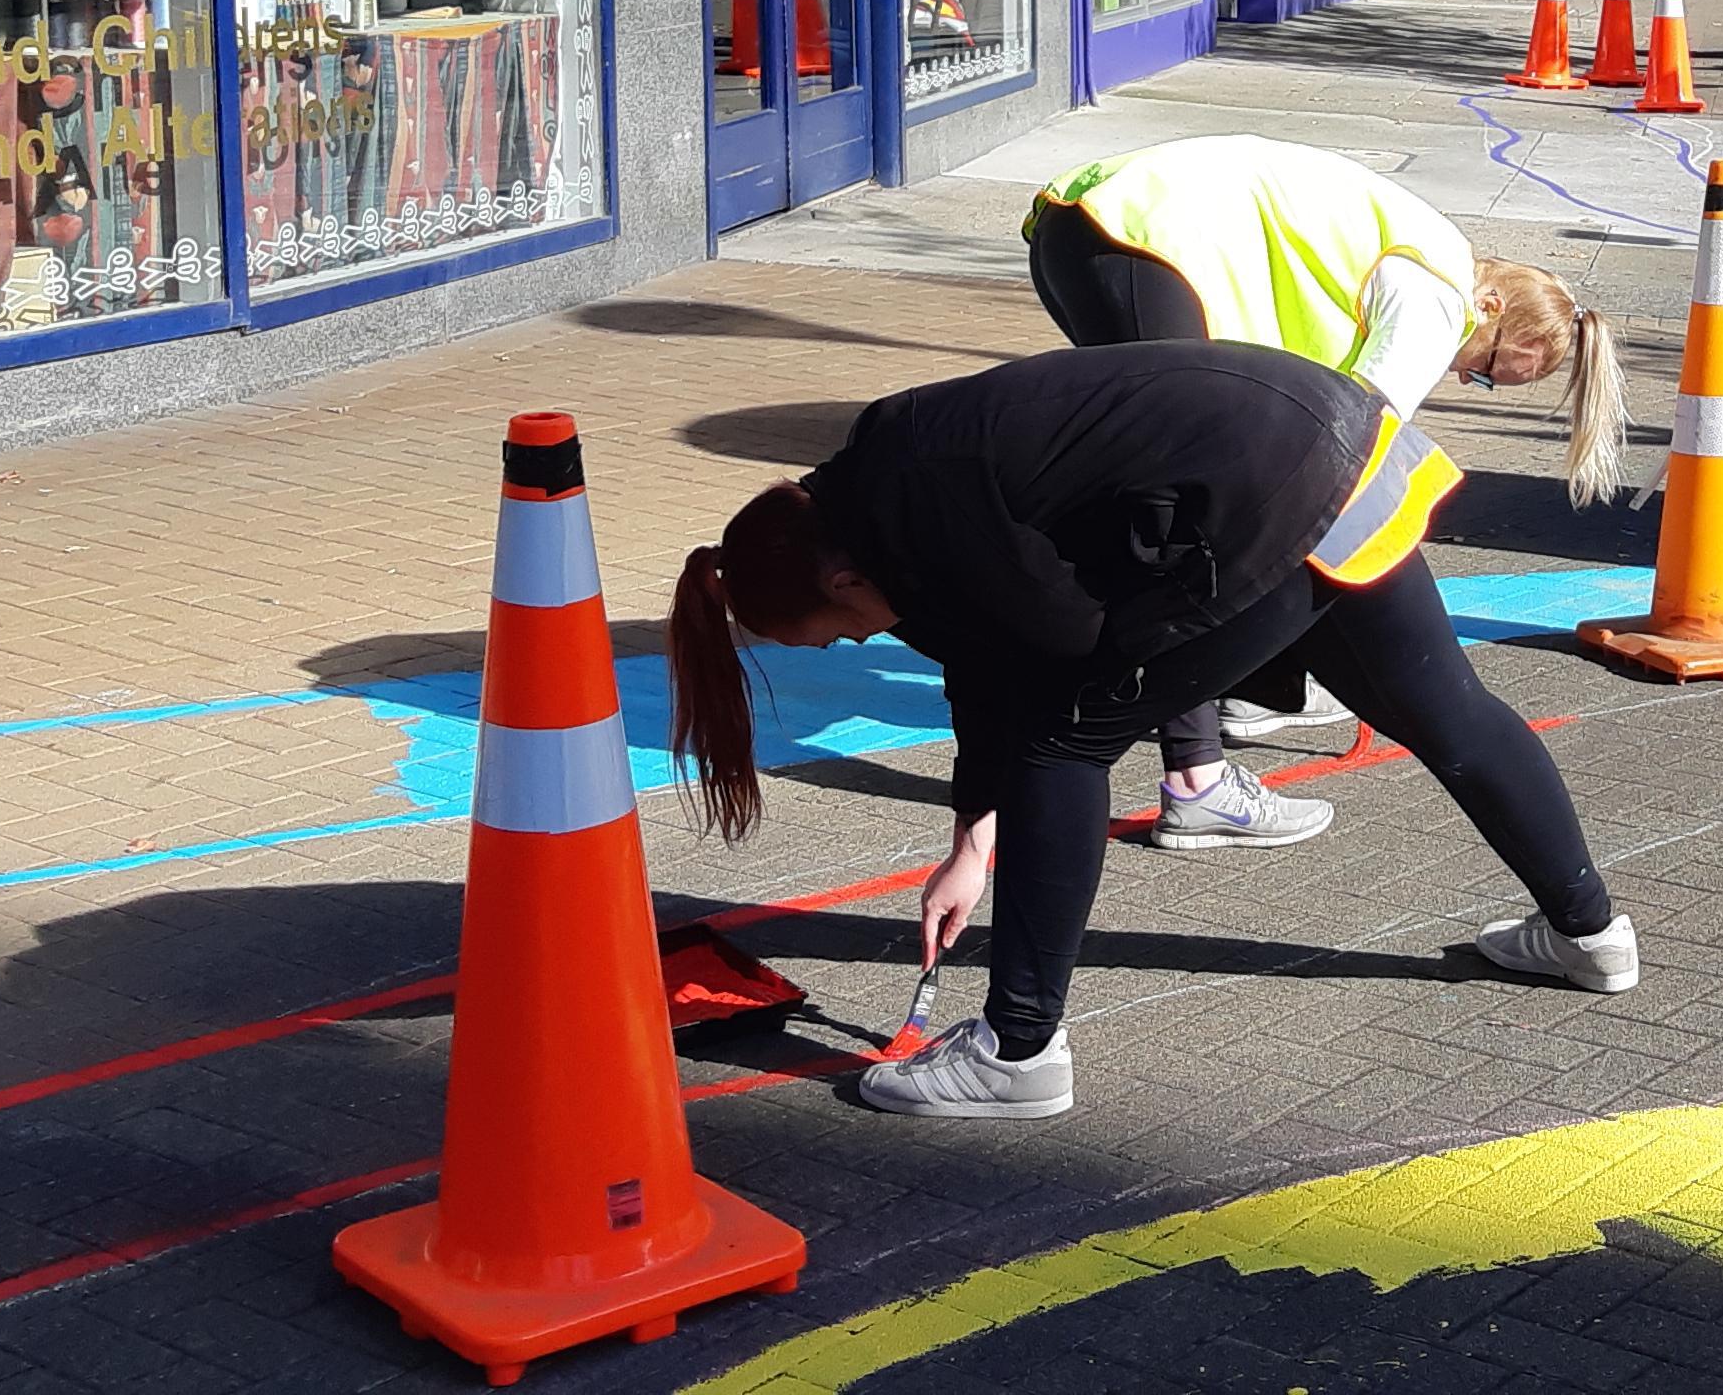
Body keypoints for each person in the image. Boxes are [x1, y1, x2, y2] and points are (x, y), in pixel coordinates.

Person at [666, 341, 1637, 1120]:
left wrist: (1032, 763)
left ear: (838, 580)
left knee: (1061, 739)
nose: (860, 639)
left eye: (839, 631)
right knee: (1449, 709)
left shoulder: (920, 495)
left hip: (1268, 494)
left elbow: (1052, 642)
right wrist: (973, 838)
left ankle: (1017, 1051)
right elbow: (978, 648)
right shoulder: (876, 491)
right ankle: (1590, 933)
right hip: (1340, 435)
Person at [1021, 135, 1626, 852]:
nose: (1468, 381)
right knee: (1176, 501)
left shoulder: (1420, 258)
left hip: (1088, 223)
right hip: (1143, 237)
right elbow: (1355, 455)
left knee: (1182, 479)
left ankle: (1232, 696)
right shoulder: (1438, 300)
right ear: (1491, 306)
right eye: (1490, 369)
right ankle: (1196, 780)